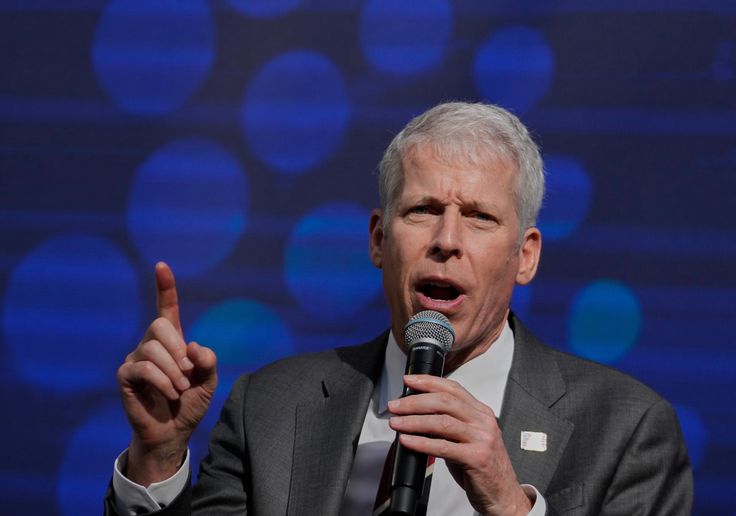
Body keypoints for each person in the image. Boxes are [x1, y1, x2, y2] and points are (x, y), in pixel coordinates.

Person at [106, 102, 693, 515]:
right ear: (378, 241)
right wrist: (157, 456)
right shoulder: (270, 408)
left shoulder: (626, 430)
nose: (446, 239)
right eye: (422, 211)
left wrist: (510, 506)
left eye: (480, 217)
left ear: (525, 256)